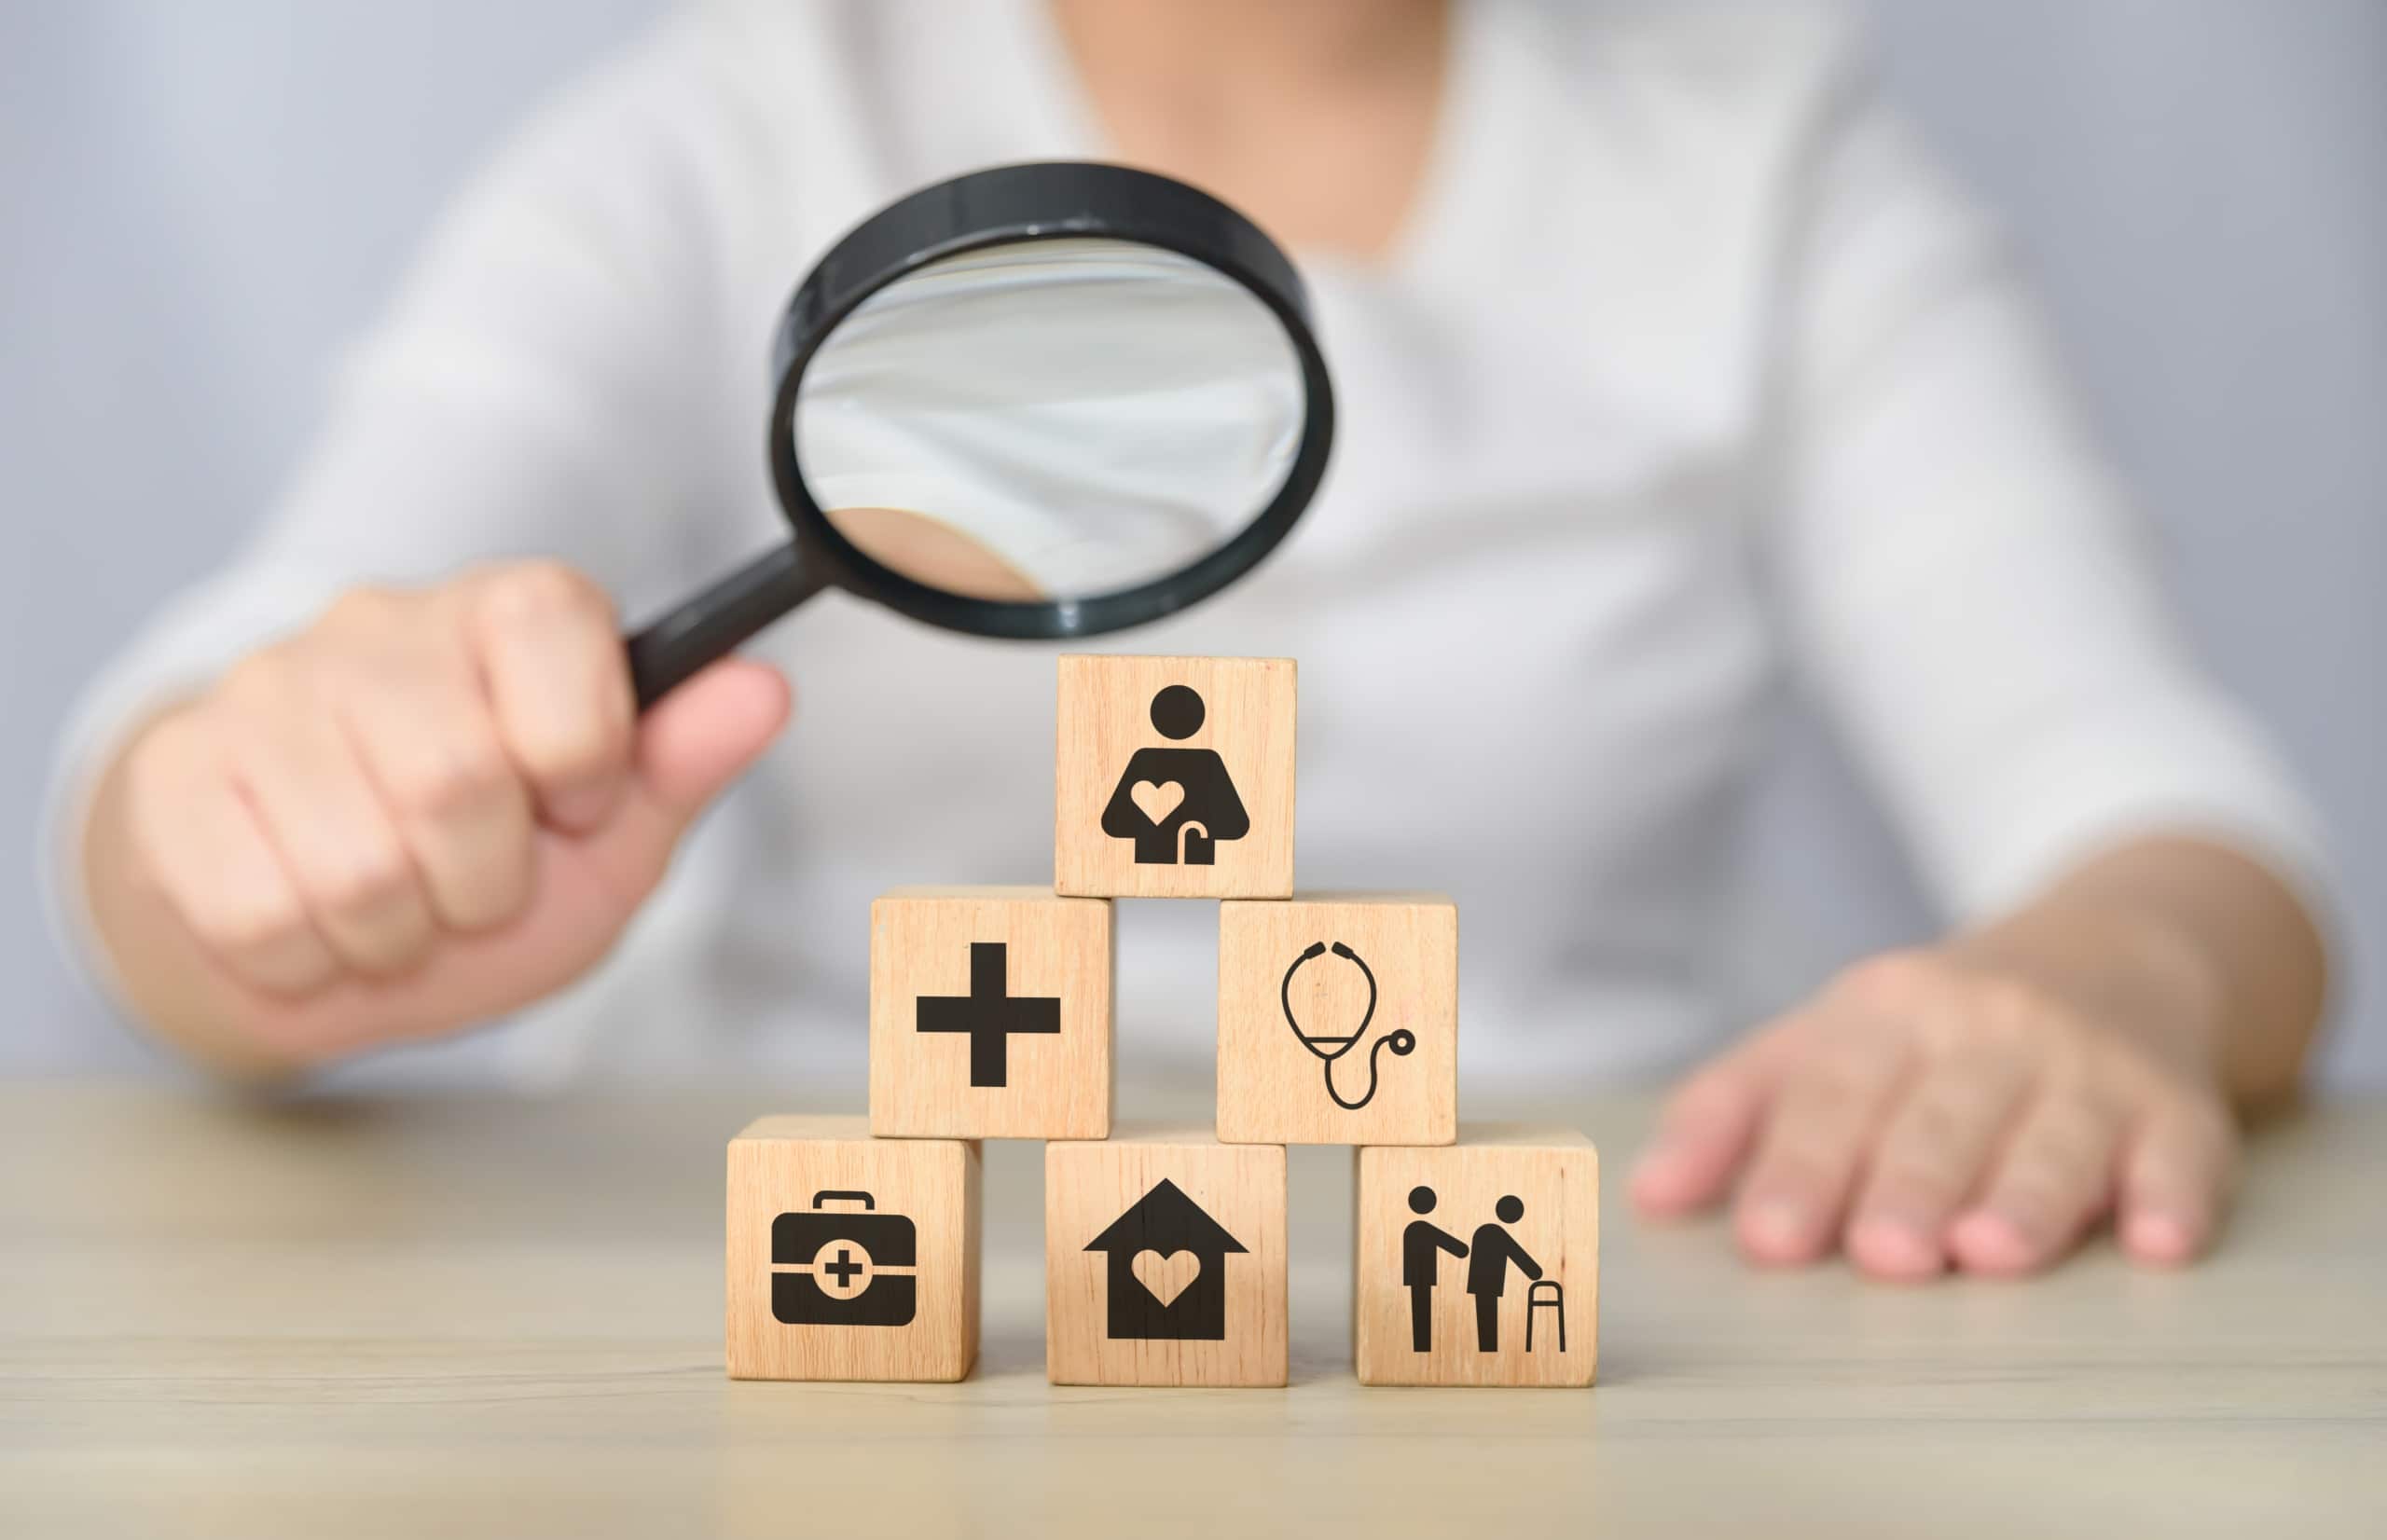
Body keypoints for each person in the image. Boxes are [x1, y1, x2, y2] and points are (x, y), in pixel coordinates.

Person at [47, 0, 2332, 1284]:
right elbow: (204, 741)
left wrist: (2094, 977)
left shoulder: (1773, 166)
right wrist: (260, 852)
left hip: (1585, 1284)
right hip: (800, 1298)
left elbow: (2164, 823)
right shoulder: (728, 126)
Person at [1100, 685, 1249, 865]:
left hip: (1152, 860)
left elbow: (1113, 822)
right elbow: (1236, 825)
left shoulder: (1144, 760)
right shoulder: (1208, 762)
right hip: (1199, 862)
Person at [1466, 1196, 1542, 1354]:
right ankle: (1488, 1352)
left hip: (1479, 1283)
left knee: (1485, 1318)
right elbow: (1519, 1256)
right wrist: (1535, 1272)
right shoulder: (1496, 1233)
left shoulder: (1484, 1230)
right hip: (1490, 1284)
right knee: (1487, 1319)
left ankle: (1487, 1350)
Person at [1401, 1185, 1469, 1352]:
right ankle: (1422, 1347)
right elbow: (1458, 1249)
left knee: (1419, 1311)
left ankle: (1421, 1347)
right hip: (1424, 1277)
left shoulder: (1411, 1229)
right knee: (1422, 1312)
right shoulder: (1425, 1229)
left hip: (1414, 1277)